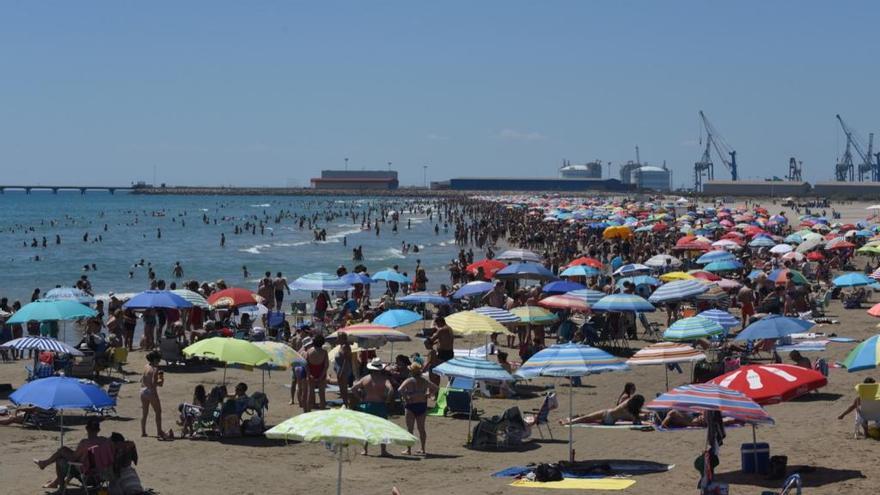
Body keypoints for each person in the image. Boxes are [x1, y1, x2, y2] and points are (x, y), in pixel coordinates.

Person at [33, 417, 111, 490]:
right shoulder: (104, 441)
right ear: (98, 430)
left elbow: (73, 458)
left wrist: (62, 452)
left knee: (60, 459)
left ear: (87, 429)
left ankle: (59, 485)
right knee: (67, 456)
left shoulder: (84, 443)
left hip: (87, 477)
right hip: (102, 475)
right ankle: (54, 482)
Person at [351, 357, 393, 456]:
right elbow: (391, 389)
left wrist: (360, 398)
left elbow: (353, 388)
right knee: (382, 427)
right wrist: (387, 399)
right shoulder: (383, 379)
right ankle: (383, 450)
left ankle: (365, 449)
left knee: (367, 427)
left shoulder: (366, 378)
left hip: (368, 405)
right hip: (380, 404)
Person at [398, 362, 438, 456]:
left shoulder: (409, 380)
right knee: (421, 428)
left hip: (411, 405)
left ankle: (408, 449)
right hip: (422, 405)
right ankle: (423, 449)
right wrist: (429, 394)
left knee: (410, 429)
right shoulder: (424, 381)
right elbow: (436, 387)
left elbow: (400, 389)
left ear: (411, 371)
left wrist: (406, 397)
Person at [559, 395, 646, 426]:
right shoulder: (632, 411)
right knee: (589, 420)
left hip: (608, 414)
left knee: (586, 418)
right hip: (611, 422)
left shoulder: (626, 404)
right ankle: (573, 419)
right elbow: (636, 416)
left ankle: (568, 422)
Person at [140, 351, 168, 440]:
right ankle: (159, 431)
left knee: (145, 413)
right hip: (151, 392)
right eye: (158, 360)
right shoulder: (155, 369)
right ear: (154, 359)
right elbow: (154, 383)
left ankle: (143, 432)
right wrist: (161, 379)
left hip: (143, 391)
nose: (159, 362)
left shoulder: (146, 366)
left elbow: (142, 379)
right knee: (158, 412)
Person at [305, 335, 329, 411]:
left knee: (310, 393)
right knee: (322, 395)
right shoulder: (324, 352)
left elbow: (306, 364)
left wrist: (309, 374)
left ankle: (308, 412)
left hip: (311, 373)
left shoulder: (309, 351)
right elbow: (326, 366)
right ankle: (322, 413)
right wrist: (321, 376)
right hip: (321, 373)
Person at [334, 332, 355, 407]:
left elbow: (346, 360)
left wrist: (341, 372)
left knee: (343, 389)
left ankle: (346, 404)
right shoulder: (342, 346)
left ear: (342, 338)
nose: (337, 339)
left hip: (344, 370)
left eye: (338, 338)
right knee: (342, 388)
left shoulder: (345, 347)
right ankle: (345, 403)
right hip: (340, 369)